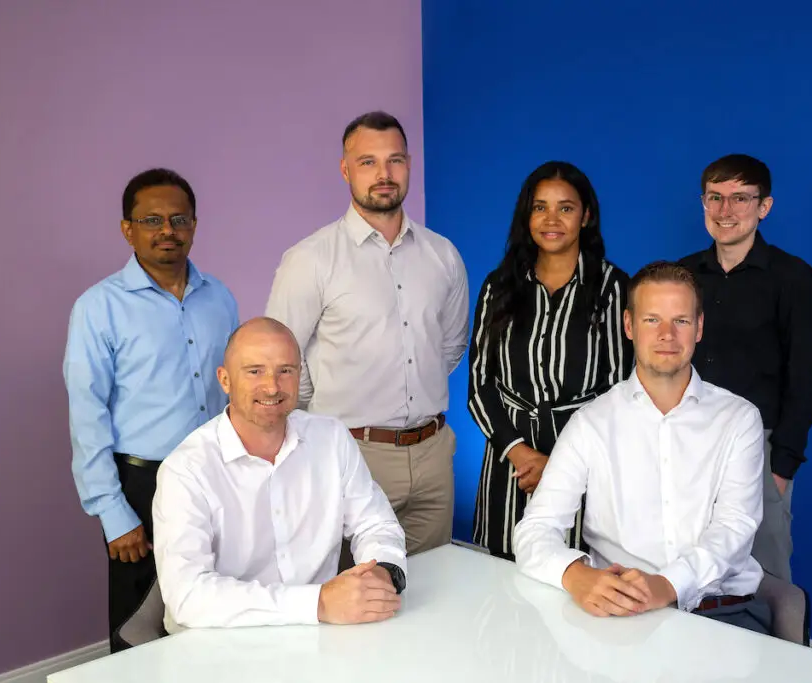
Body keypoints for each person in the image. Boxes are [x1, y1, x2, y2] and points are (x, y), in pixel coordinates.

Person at [514, 261, 771, 635]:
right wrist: (575, 575)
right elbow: (535, 529)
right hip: (623, 617)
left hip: (721, 614)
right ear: (629, 326)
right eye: (652, 320)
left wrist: (665, 586)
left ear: (699, 328)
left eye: (680, 321)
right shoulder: (591, 422)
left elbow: (735, 528)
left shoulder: (738, 419)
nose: (667, 334)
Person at [265, 111, 469, 558]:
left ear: (409, 165)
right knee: (355, 599)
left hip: (433, 454)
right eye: (368, 162)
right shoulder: (311, 259)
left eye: (394, 161)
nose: (384, 175)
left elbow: (449, 348)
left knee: (435, 593)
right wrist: (327, 424)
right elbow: (282, 362)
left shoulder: (443, 256)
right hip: (353, 455)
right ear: (345, 169)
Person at [63, 168, 239, 651]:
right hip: (143, 485)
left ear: (195, 224)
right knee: (139, 625)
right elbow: (87, 414)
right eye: (152, 220)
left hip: (218, 473)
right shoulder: (99, 308)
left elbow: (236, 390)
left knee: (216, 608)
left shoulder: (219, 298)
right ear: (128, 229)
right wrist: (113, 512)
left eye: (179, 218)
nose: (167, 230)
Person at [152, 318, 407, 632]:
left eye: (285, 370)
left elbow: (376, 523)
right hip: (219, 644)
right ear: (225, 379)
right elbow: (188, 595)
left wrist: (382, 569)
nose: (272, 386)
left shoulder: (332, 438)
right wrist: (318, 603)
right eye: (255, 371)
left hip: (321, 633)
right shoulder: (185, 470)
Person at [468, 161, 632, 560]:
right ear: (527, 215)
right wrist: (521, 453)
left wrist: (559, 464)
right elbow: (479, 386)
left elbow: (619, 389)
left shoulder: (614, 289)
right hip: (511, 464)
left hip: (583, 462)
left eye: (566, 207)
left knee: (574, 579)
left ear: (586, 215)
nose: (551, 219)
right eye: (540, 207)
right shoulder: (500, 285)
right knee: (500, 580)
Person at [678, 154, 812, 581]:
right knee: (688, 568)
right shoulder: (681, 275)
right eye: (715, 198)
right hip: (687, 442)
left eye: (740, 198)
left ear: (765, 206)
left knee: (764, 576)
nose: (726, 211)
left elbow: (804, 379)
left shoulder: (792, 278)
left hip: (759, 449)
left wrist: (781, 469)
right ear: (702, 202)